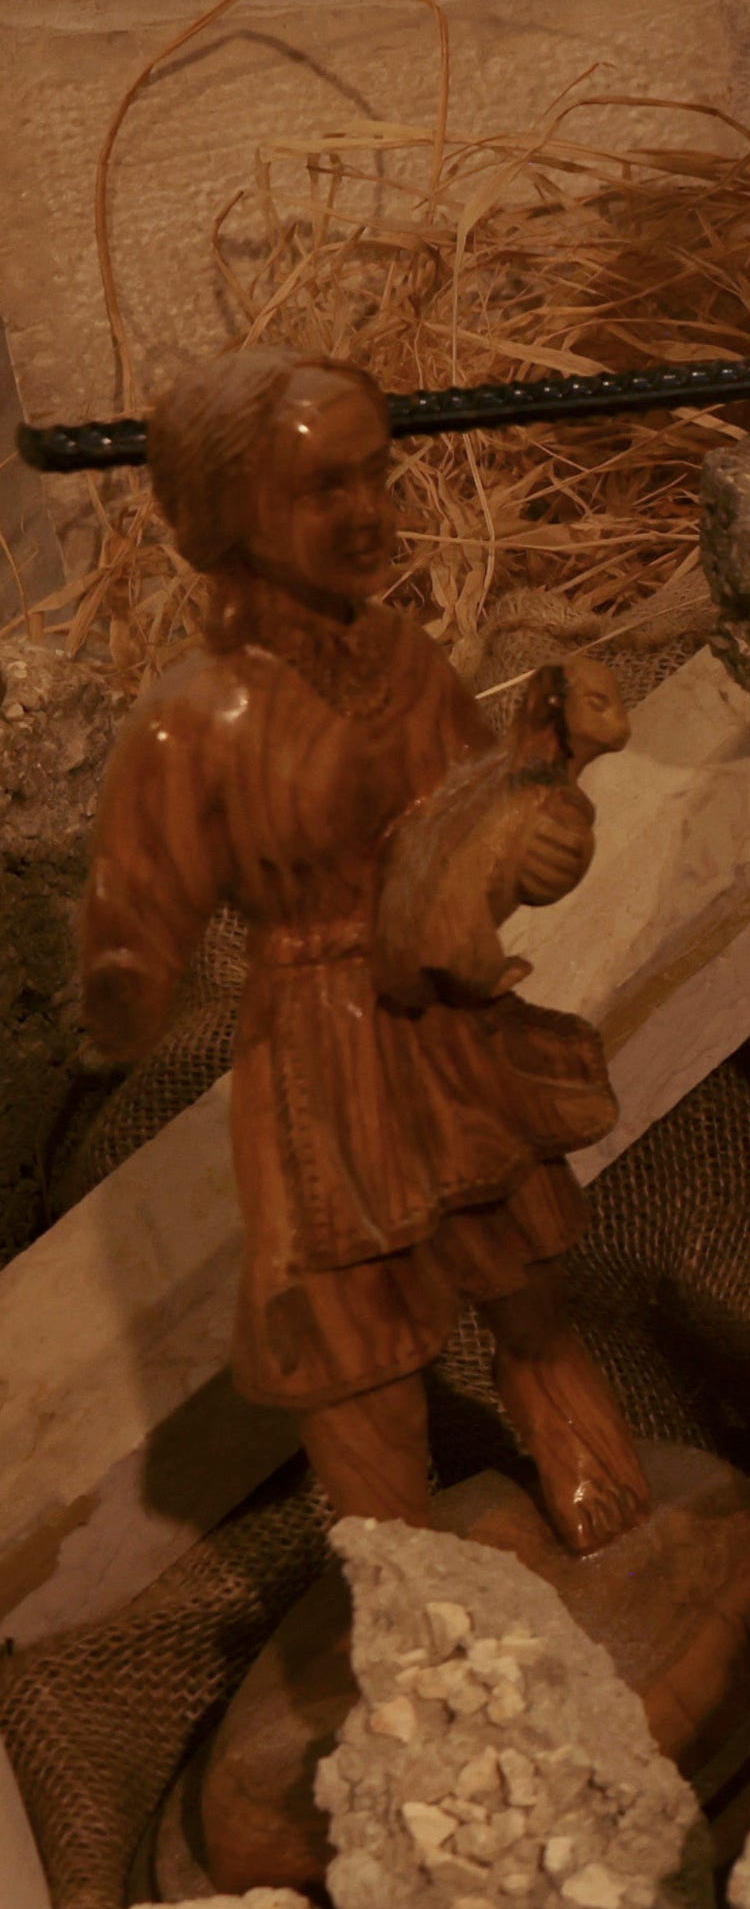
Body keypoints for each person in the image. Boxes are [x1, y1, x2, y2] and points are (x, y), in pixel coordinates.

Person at [75, 353, 654, 1554]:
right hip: (314, 1056)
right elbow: (133, 943)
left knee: (523, 1269)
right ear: (231, 515)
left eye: (377, 477)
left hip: (441, 1020)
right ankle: (412, 1586)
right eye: (321, 489)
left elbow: (474, 828)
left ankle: (586, 1461)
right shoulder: (196, 720)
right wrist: (122, 976)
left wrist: (540, 845)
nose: (367, 514)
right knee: (350, 1341)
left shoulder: (410, 666)